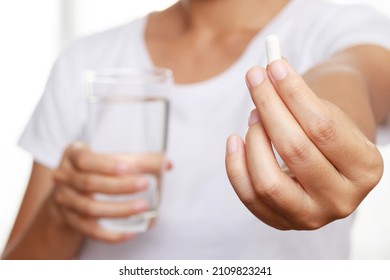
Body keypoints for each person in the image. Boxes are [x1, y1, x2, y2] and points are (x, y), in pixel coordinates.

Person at [3, 0, 390, 259]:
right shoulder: (84, 60)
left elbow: (350, 74)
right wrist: (60, 213)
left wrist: (326, 130)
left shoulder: (342, 24)